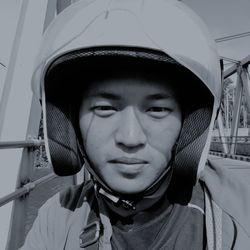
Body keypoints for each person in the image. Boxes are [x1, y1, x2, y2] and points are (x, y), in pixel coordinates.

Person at [20, 0, 250, 249]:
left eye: (157, 110)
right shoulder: (57, 218)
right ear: (69, 122)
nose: (130, 138)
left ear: (189, 125)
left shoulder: (240, 216)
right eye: (105, 109)